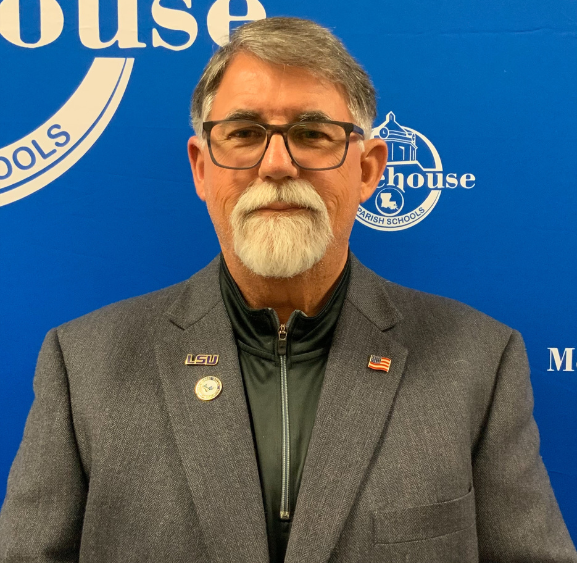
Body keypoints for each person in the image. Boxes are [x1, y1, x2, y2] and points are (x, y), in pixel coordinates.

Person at [0, 16, 575, 563]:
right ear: (202, 168)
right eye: (245, 133)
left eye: (313, 134)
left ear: (370, 169)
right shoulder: (85, 365)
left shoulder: (476, 361)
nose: (277, 164)